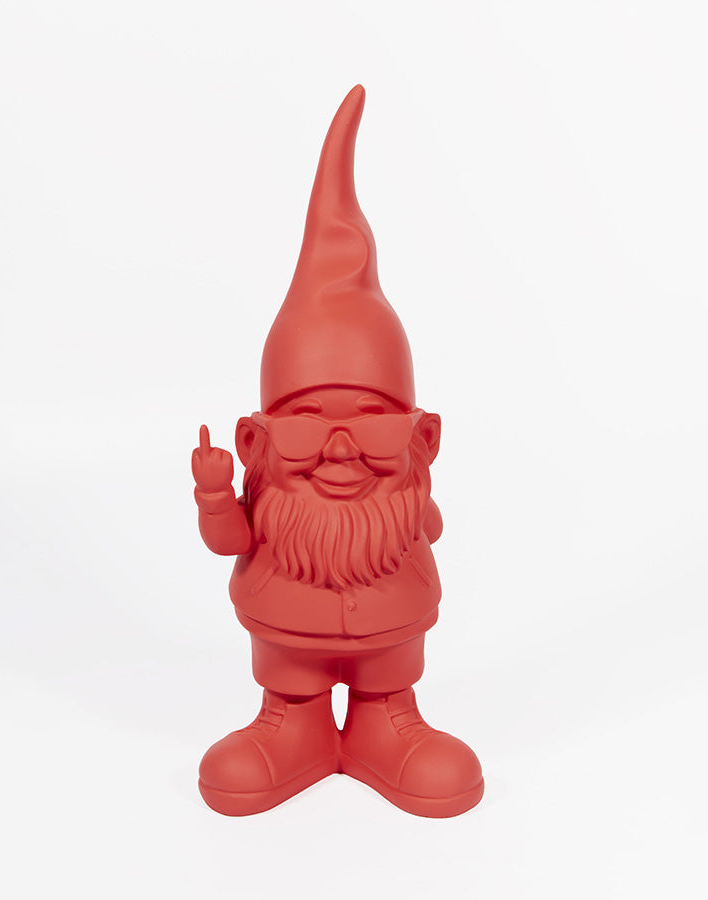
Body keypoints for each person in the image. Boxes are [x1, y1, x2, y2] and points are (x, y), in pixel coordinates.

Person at [192, 85, 483, 817]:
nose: (341, 449)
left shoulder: (408, 501)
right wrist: (215, 495)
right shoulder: (269, 503)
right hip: (286, 641)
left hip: (393, 636)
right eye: (308, 421)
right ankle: (293, 725)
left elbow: (432, 523)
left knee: (391, 684)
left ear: (424, 437)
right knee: (289, 688)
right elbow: (229, 539)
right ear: (254, 440)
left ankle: (389, 722)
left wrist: (416, 509)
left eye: (372, 420)